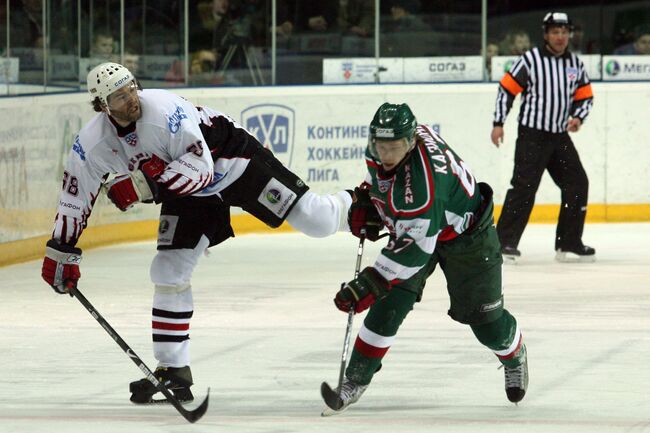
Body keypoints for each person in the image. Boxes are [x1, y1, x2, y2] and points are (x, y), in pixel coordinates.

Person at [40, 62, 352, 404]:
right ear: (102, 106)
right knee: (167, 270)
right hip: (188, 196)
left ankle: (361, 204)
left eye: (131, 87)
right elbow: (74, 197)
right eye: (119, 95)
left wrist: (145, 186)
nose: (131, 98)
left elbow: (201, 169)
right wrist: (61, 251)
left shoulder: (162, 111)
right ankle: (173, 371)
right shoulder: (92, 143)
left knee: (318, 221)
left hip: (236, 164)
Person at [321, 102, 528, 414]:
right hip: (426, 223)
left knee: (487, 324)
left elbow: (415, 251)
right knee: (388, 305)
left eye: (395, 148)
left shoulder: (422, 186)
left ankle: (514, 354)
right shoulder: (387, 149)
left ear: (411, 143)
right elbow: (381, 183)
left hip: (467, 236)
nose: (386, 155)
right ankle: (355, 379)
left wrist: (371, 282)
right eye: (382, 147)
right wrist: (370, 201)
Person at [491, 12, 595, 263]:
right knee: (524, 187)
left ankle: (569, 242)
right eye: (555, 32)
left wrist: (578, 117)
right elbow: (506, 90)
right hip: (532, 136)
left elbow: (586, 96)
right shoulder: (530, 60)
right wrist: (498, 123)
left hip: (559, 136)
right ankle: (502, 243)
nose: (560, 37)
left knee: (577, 184)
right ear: (546, 34)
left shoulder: (575, 64)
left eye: (564, 32)